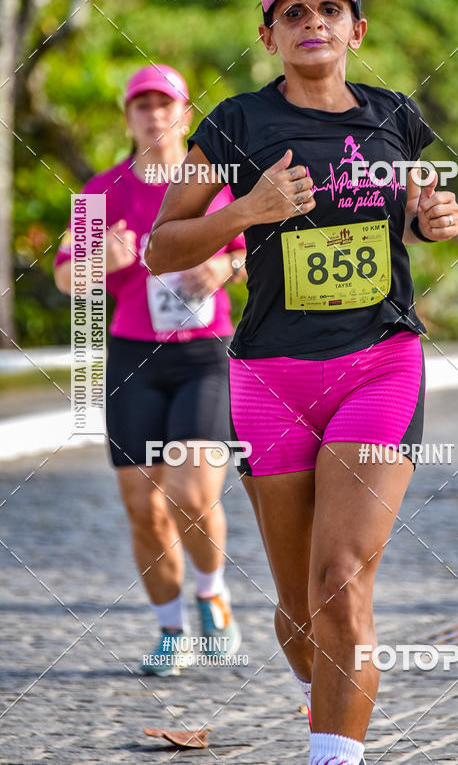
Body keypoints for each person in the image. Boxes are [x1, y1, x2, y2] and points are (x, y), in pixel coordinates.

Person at [146, 0, 458, 764]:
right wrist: (246, 210)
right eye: (293, 12)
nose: (312, 20)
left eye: (329, 8)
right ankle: (329, 698)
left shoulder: (395, 116)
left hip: (380, 362)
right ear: (269, 35)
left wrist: (435, 214)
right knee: (298, 611)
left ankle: (335, 754)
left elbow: (425, 214)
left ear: (356, 29)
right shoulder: (234, 125)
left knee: (339, 579)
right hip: (270, 377)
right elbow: (160, 247)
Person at [53, 64, 245, 675]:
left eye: (166, 105)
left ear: (186, 114)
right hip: (134, 358)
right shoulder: (100, 191)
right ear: (129, 117)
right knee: (143, 505)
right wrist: (97, 264)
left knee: (191, 492)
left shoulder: (212, 182)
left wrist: (222, 269)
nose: (155, 115)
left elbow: (249, 254)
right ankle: (171, 630)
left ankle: (212, 591)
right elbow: (64, 277)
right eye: (143, 106)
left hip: (205, 355)